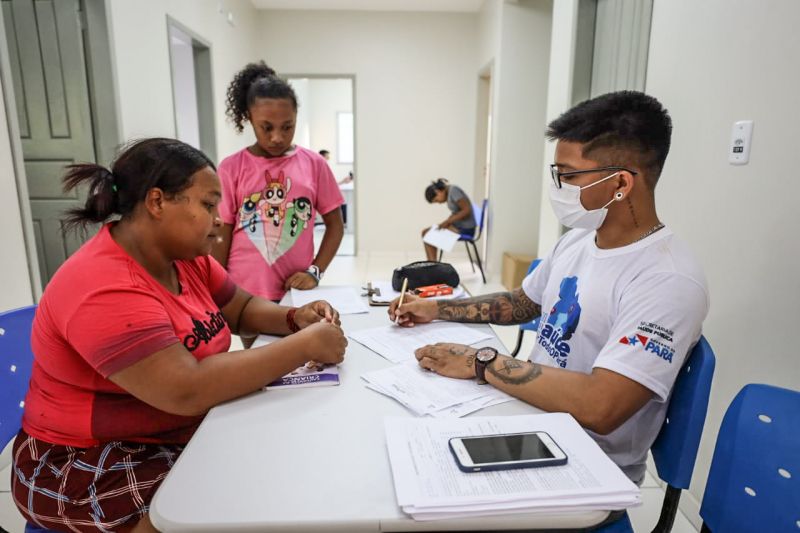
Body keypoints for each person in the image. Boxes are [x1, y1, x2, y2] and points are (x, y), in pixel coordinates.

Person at [10, 138, 348, 533]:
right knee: (211, 507)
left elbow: (239, 308)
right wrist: (304, 346)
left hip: (165, 431)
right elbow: (185, 390)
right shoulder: (102, 286)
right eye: (207, 205)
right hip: (83, 460)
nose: (219, 218)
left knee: (275, 465)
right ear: (157, 202)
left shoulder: (184, 259)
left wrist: (294, 317)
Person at [390, 91, 709, 486]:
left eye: (569, 175)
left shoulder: (668, 280)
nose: (558, 186)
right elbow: (521, 304)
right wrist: (436, 309)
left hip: (583, 466)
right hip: (529, 419)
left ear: (621, 183)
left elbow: (600, 406)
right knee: (403, 444)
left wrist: (480, 361)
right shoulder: (579, 239)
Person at [213, 61, 344, 316]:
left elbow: (335, 225)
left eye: (287, 126)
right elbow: (222, 233)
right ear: (248, 118)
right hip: (244, 294)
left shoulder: (314, 164)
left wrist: (315, 271)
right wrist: (216, 289)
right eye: (266, 127)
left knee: (298, 352)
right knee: (258, 354)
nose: (277, 137)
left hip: (296, 292)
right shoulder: (231, 168)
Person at [422, 178, 476, 261]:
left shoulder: (454, 191)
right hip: (458, 226)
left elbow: (467, 210)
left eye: (436, 200)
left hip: (465, 229)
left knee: (429, 235)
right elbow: (457, 212)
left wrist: (448, 221)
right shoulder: (450, 192)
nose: (439, 203)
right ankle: (431, 265)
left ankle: (433, 268)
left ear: (438, 191)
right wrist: (446, 222)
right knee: (425, 232)